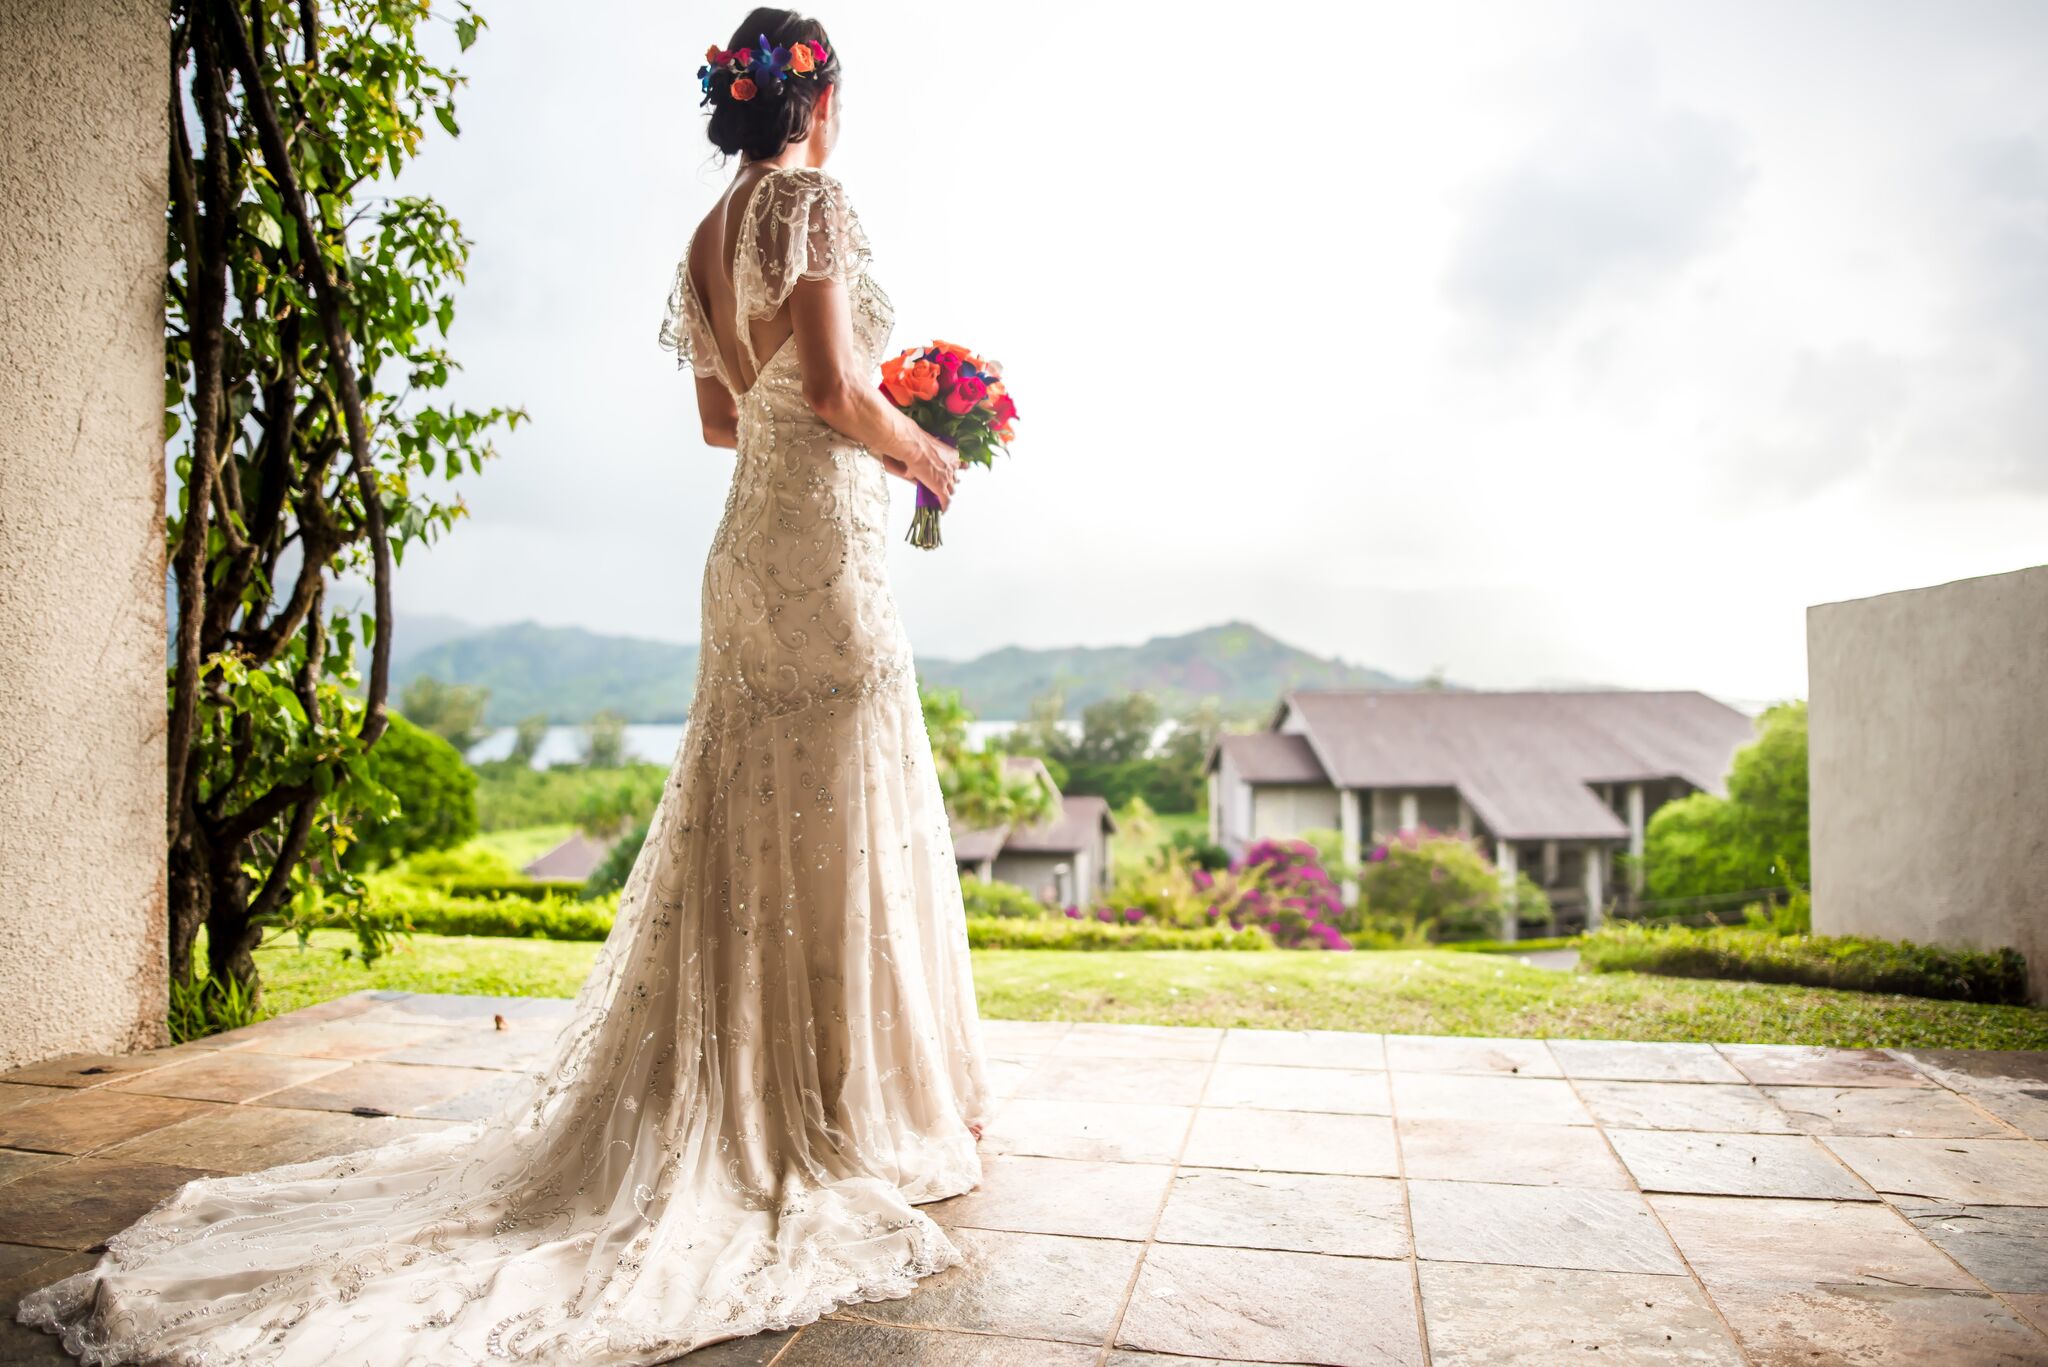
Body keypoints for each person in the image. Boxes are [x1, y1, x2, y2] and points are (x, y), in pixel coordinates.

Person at [19, 9, 987, 1361]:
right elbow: (827, 385)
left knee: (763, 814)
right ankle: (834, 1112)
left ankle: (787, 1093)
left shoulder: (705, 240)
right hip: (820, 549)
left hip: (749, 549)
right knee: (832, 807)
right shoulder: (813, 201)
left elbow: (723, 418)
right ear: (816, 99)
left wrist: (847, 415)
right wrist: (922, 449)